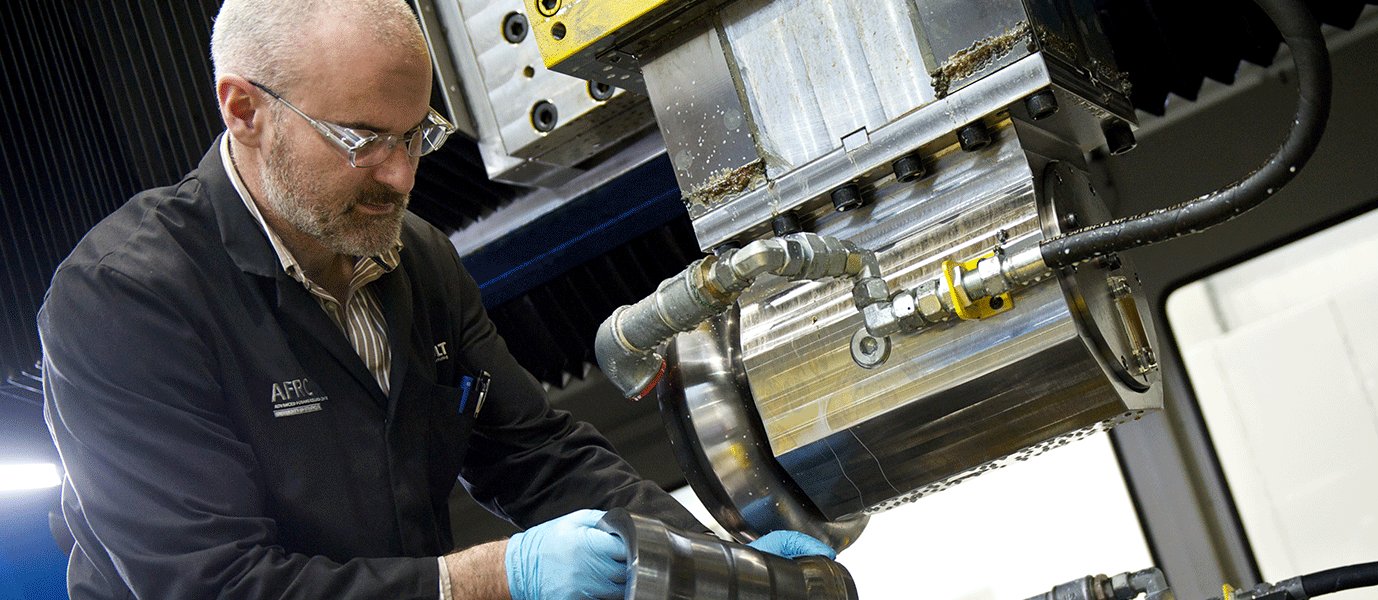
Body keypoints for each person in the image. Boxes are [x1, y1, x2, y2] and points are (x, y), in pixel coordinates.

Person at [38, 1, 831, 598]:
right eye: (361, 139)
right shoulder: (125, 301)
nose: (401, 176)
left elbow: (536, 456)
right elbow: (214, 587)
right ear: (245, 110)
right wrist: (495, 577)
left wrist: (729, 571)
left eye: (417, 134)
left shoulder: (415, 259)